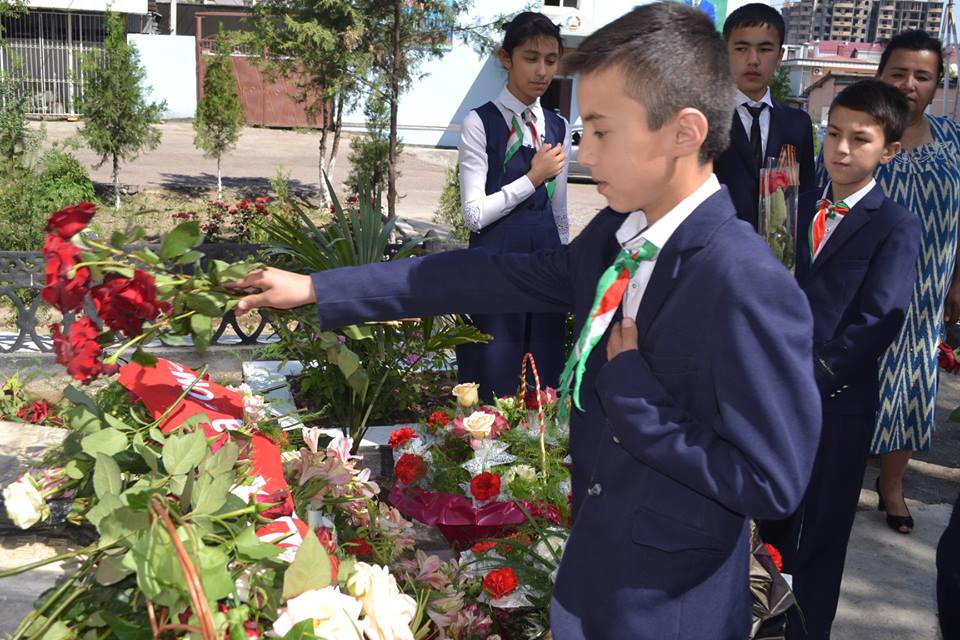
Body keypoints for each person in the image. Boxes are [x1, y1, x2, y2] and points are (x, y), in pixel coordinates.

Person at [228, 4, 821, 638]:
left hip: (669, 610)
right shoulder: (617, 236)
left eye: (601, 132)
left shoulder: (745, 282)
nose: (583, 151)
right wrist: (317, 287)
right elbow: (482, 275)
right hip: (593, 581)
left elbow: (770, 481)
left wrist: (633, 395)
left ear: (684, 132)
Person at [769, 80, 920, 639]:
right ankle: (755, 622)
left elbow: (880, 319)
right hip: (770, 397)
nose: (841, 148)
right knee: (766, 525)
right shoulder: (788, 203)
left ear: (889, 150)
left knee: (820, 536)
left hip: (835, 403)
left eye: (860, 139)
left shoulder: (894, 224)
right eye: (833, 133)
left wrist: (811, 375)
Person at [871, 30, 960, 534]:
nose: (909, 84)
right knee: (858, 379)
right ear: (881, 75)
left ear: (936, 84)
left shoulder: (952, 137)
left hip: (928, 291)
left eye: (922, 76)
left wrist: (958, 280)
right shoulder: (860, 131)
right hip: (867, 285)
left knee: (913, 385)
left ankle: (892, 486)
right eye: (898, 73)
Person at [456, 11, 571, 400]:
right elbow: (474, 215)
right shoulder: (479, 123)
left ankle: (541, 441)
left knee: (545, 377)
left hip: (546, 264)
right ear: (506, 58)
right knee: (493, 377)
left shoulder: (558, 126)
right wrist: (532, 178)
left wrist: (564, 260)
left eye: (551, 60)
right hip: (495, 264)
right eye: (531, 58)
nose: (542, 71)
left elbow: (559, 210)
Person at [714, 3, 815, 230]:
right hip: (716, 244)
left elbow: (805, 195)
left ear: (780, 55)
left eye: (765, 49)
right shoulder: (706, 119)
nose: (753, 60)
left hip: (777, 246)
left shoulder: (798, 124)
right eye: (741, 49)